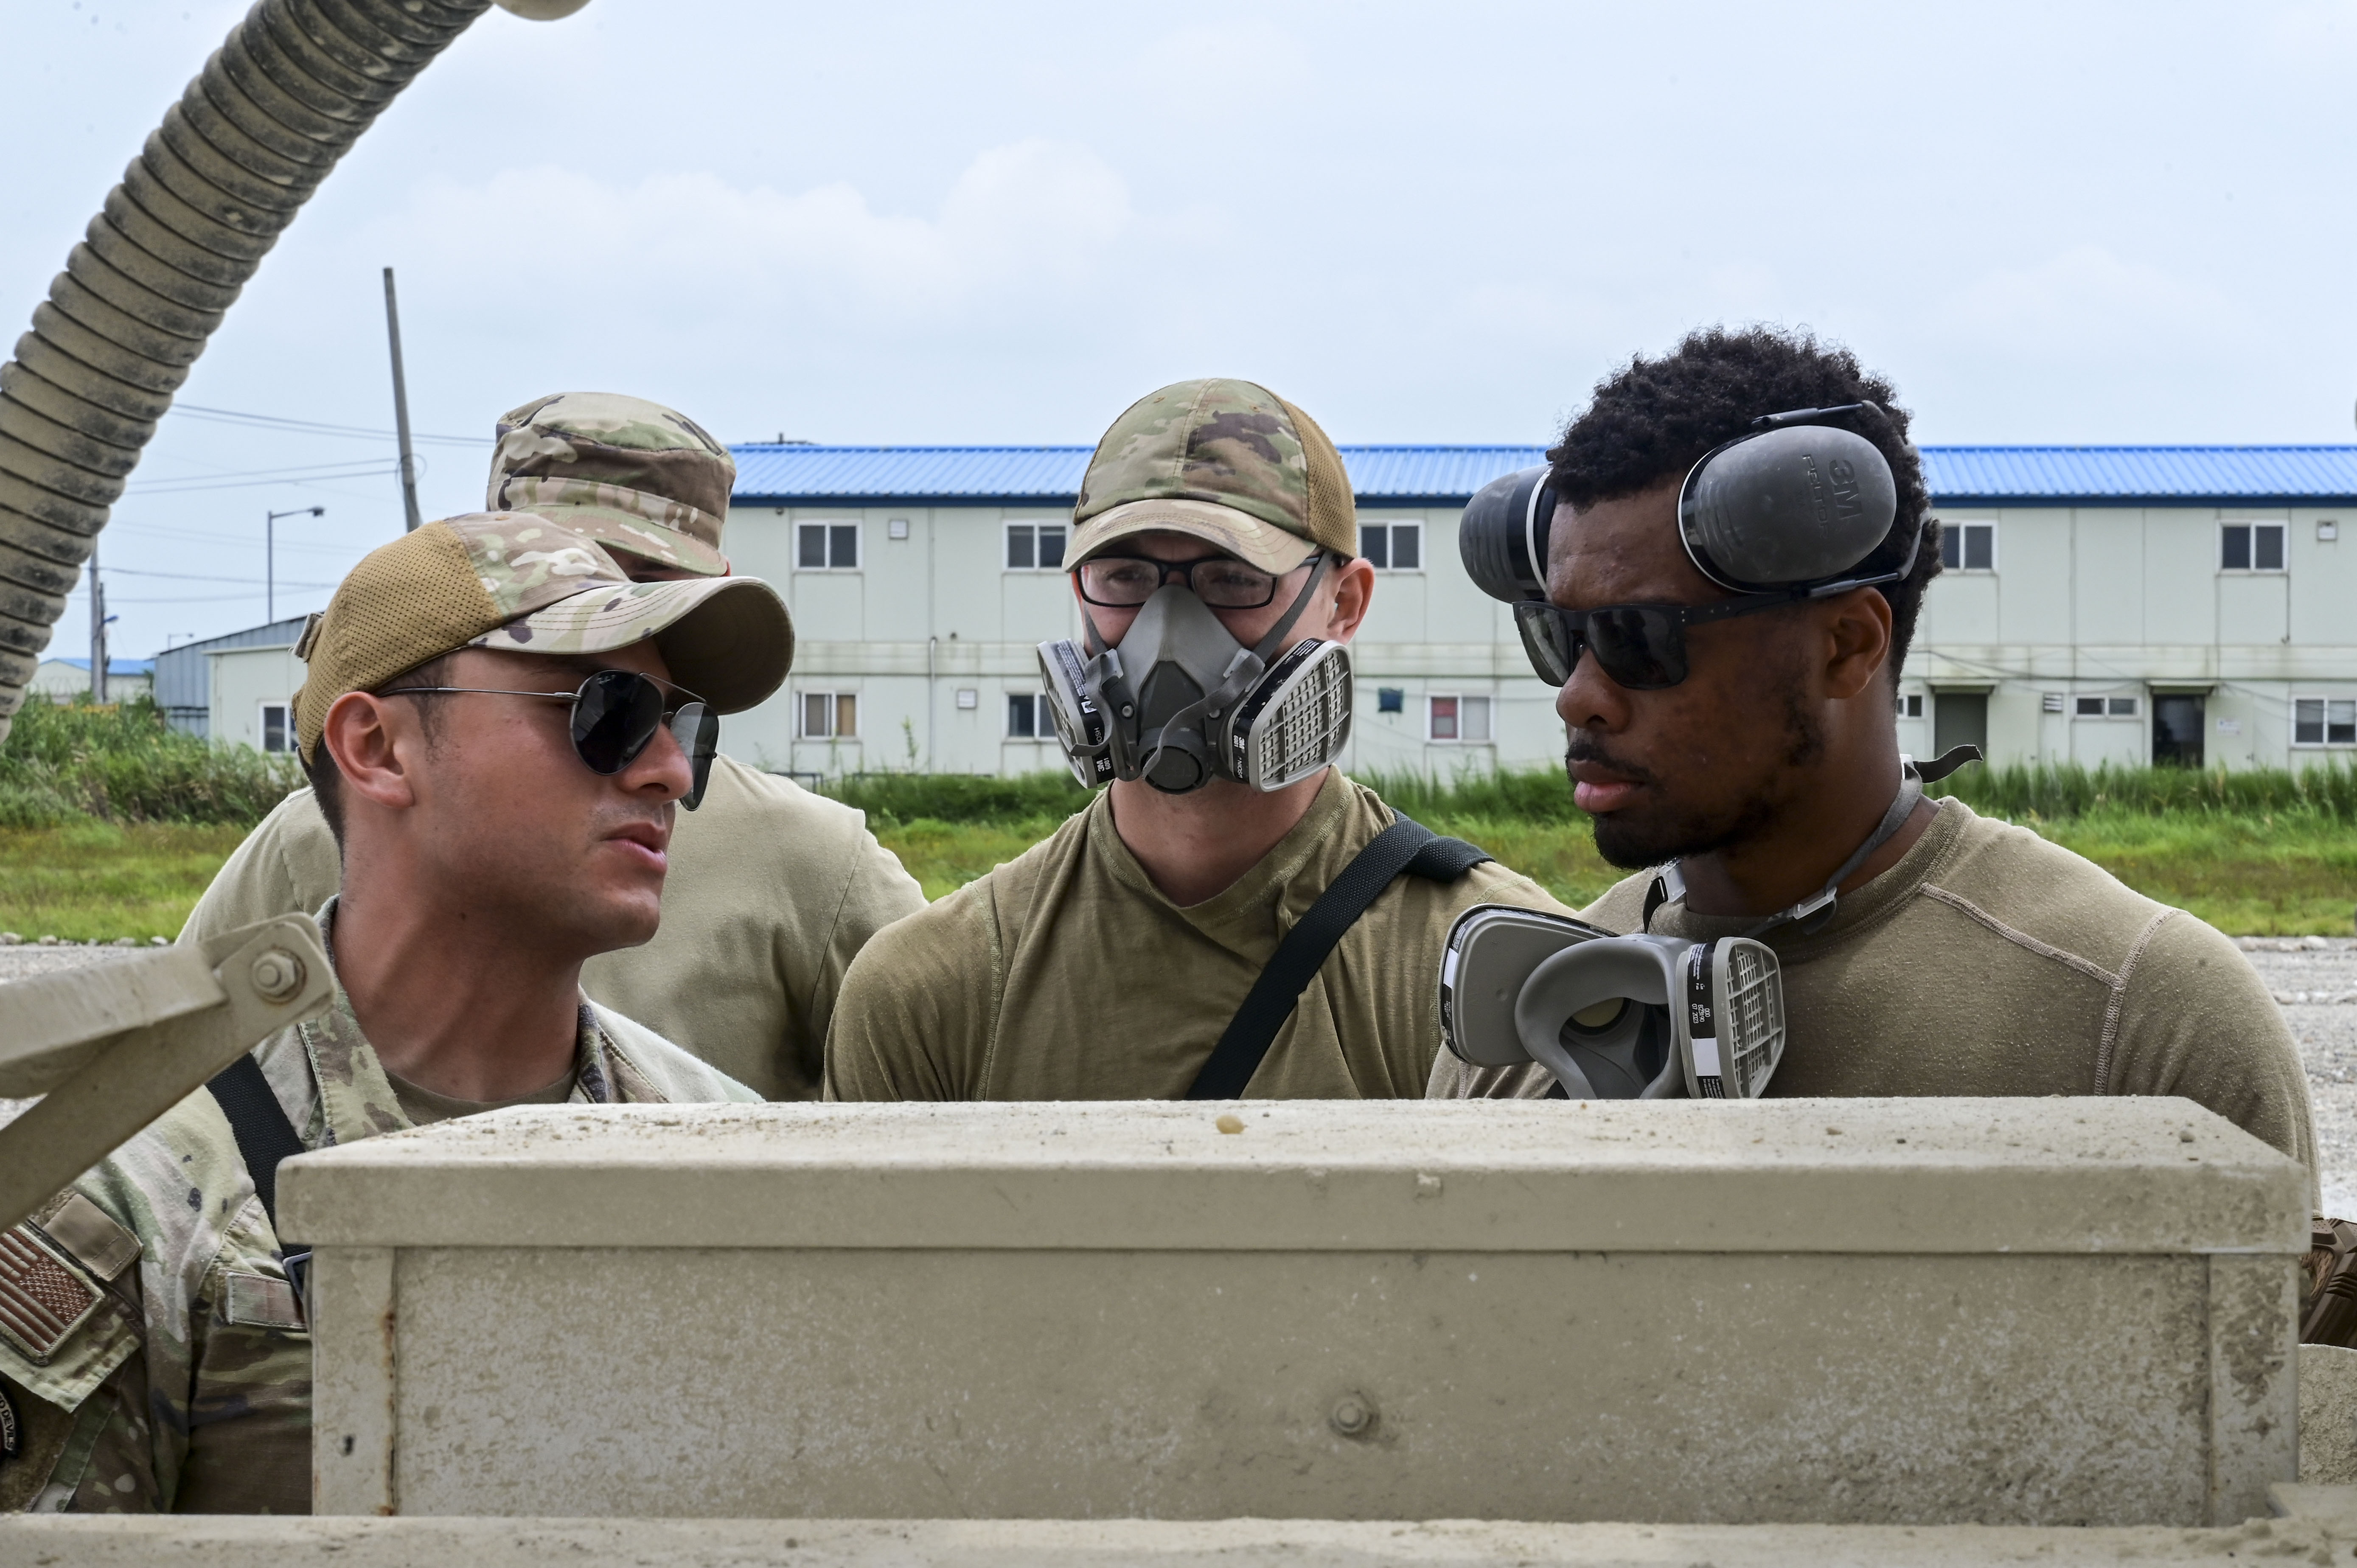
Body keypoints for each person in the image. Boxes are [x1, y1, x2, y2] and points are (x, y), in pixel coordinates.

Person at [0, 513, 789, 1514]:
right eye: (608, 710)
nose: (669, 770)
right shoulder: (126, 1192)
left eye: (683, 727)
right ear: (377, 749)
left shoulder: (730, 1151)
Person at [1428, 326, 2315, 1175]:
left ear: (1846, 647)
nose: (1576, 695)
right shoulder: (1529, 1015)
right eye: (1560, 636)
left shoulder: (2142, 1016)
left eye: (1635, 637)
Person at [824, 377, 1569, 1102]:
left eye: (1232, 579)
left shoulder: (1496, 981)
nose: (1167, 630)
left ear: (1345, 602)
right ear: (1079, 592)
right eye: (1124, 577)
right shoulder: (928, 991)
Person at [179, 393, 925, 1099]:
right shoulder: (320, 834)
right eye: (558, 582)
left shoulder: (808, 855)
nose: (610, 605)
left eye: (645, 585)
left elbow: (950, 1088)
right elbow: (165, 1078)